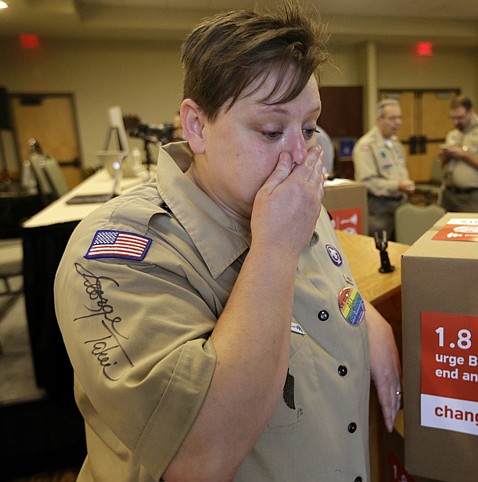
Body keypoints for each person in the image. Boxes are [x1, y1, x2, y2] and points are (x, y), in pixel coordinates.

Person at [53, 4, 401, 481]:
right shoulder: (117, 254)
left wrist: (368, 320)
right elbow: (199, 458)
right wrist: (273, 250)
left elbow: (329, 281)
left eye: (309, 128)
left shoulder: (290, 197)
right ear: (196, 127)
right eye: (272, 130)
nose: (300, 156)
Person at [353, 99, 415, 240]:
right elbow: (367, 182)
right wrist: (397, 185)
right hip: (379, 209)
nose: (398, 122)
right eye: (392, 118)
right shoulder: (366, 146)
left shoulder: (396, 143)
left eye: (399, 117)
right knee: (381, 252)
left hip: (400, 205)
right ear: (379, 120)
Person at [439, 95, 478, 213]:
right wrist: (444, 158)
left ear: (470, 112)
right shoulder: (453, 134)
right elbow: (443, 167)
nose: (455, 122)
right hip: (448, 194)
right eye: (452, 118)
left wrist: (464, 156)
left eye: (460, 117)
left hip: (471, 197)